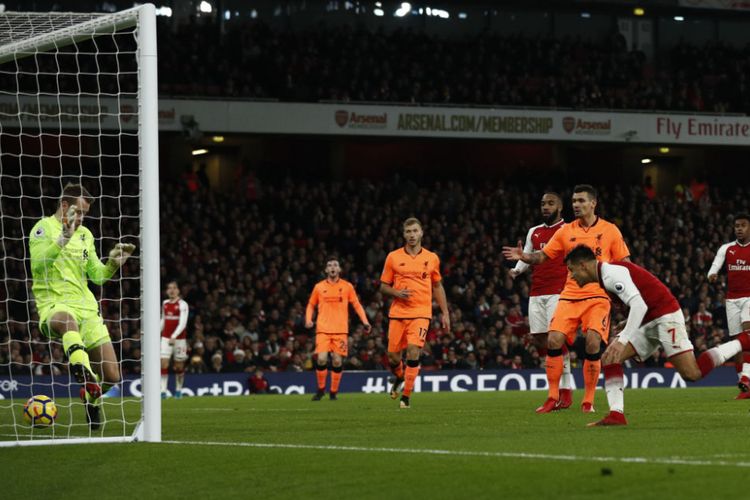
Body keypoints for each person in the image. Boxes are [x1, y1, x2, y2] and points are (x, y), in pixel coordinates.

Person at [564, 245, 750, 426]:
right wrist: (627, 322)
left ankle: (743, 340)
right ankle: (616, 415)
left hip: (665, 315)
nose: (572, 276)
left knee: (692, 373)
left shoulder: (610, 274)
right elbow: (642, 298)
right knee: (610, 358)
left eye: (572, 270)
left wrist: (623, 340)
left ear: (583, 265)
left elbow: (640, 305)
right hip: (650, 318)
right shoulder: (605, 276)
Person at [503, 184, 630, 413]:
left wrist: (628, 293)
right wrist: (524, 257)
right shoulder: (566, 231)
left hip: (598, 296)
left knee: (592, 342)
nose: (576, 205)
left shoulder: (610, 230)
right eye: (574, 201)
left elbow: (625, 263)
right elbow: (543, 256)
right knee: (552, 341)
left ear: (593, 203)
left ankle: (588, 401)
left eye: (581, 201)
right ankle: (553, 397)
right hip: (569, 295)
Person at [29, 183, 135, 429]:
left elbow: (96, 275)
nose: (82, 217)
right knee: (66, 321)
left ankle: (90, 396)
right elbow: (38, 265)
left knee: (112, 377)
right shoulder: (43, 228)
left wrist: (112, 264)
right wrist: (63, 238)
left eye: (86, 213)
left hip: (86, 309)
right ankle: (82, 370)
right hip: (54, 303)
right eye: (79, 211)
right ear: (64, 206)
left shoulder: (86, 235)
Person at [509, 191, 571, 408]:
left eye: (550, 203)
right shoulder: (533, 232)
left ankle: (563, 392)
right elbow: (526, 255)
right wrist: (517, 271)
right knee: (539, 340)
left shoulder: (568, 230)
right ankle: (560, 388)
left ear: (560, 207)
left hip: (559, 291)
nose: (545, 207)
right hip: (537, 292)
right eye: (543, 203)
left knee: (555, 340)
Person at [380, 217, 450, 409]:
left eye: (415, 231)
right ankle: (400, 376)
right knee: (393, 357)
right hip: (398, 313)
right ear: (404, 234)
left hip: (421, 312)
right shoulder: (393, 257)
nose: (412, 235)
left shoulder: (431, 258)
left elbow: (437, 285)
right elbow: (383, 286)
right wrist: (395, 292)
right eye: (408, 232)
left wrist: (445, 312)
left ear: (421, 233)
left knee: (413, 350)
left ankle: (406, 397)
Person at [305, 256, 371, 400]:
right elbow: (311, 304)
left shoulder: (347, 286)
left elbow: (357, 305)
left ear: (339, 269)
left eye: (335, 265)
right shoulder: (319, 287)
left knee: (337, 361)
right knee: (321, 360)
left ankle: (333, 391)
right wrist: (308, 319)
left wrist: (365, 321)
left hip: (340, 330)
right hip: (323, 330)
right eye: (330, 265)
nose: (333, 267)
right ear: (326, 270)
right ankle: (321, 389)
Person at [708, 213, 750, 399]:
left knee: (747, 335)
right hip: (731, 300)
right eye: (736, 226)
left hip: (749, 297)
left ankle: (747, 377)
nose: (739, 229)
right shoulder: (727, 248)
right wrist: (712, 273)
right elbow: (716, 263)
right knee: (737, 344)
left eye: (743, 225)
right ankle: (745, 386)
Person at [160, 280, 189, 399]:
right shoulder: (165, 303)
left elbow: (183, 323)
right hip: (166, 338)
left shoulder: (183, 304)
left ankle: (178, 390)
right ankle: (163, 391)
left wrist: (174, 336)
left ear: (178, 290)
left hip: (179, 340)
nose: (171, 290)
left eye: (174, 288)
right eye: (169, 288)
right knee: (163, 363)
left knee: (179, 367)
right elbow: (163, 320)